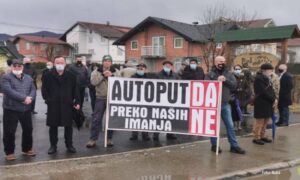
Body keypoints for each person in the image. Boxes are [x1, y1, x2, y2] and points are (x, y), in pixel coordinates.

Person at [205, 56, 245, 154]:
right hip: (213, 104)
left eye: (224, 61)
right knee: (213, 126)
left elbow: (234, 85)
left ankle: (234, 146)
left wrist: (225, 80)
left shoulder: (229, 73)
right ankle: (214, 145)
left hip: (225, 103)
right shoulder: (209, 74)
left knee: (230, 125)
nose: (222, 63)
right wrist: (216, 81)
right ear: (215, 62)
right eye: (220, 61)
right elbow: (205, 86)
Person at [42, 56, 80, 154]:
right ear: (54, 64)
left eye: (61, 62)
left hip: (67, 104)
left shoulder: (71, 76)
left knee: (68, 126)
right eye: (57, 62)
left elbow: (76, 90)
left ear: (65, 64)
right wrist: (48, 100)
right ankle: (53, 146)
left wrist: (77, 102)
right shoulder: (47, 75)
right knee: (53, 126)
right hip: (53, 105)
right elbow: (44, 90)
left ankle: (69, 145)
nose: (59, 64)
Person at [2, 58, 36, 161]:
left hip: (26, 109)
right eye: (15, 66)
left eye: (19, 66)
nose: (17, 68)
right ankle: (9, 152)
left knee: (28, 129)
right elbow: (8, 91)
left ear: (22, 67)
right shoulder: (6, 77)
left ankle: (27, 149)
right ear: (11, 67)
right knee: (10, 132)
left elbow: (33, 89)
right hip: (11, 109)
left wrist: (30, 98)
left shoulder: (28, 78)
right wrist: (24, 98)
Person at [86, 55, 119, 148]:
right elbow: (93, 82)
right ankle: (93, 139)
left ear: (111, 62)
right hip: (100, 98)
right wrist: (103, 75)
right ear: (102, 62)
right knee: (96, 119)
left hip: (112, 98)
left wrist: (111, 76)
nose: (107, 62)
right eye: (105, 61)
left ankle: (109, 139)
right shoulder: (96, 72)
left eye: (109, 61)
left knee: (110, 120)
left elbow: (120, 82)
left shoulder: (116, 71)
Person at [153, 60, 180, 141]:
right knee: (159, 117)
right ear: (163, 66)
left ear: (171, 66)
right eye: (166, 65)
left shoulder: (175, 75)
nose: (167, 67)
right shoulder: (158, 75)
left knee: (170, 116)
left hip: (171, 99)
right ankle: (156, 133)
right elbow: (154, 86)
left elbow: (180, 85)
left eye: (169, 65)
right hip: (161, 99)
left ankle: (170, 133)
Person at [252, 63, 276, 145]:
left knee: (266, 120)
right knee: (260, 120)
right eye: (270, 70)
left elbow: (271, 90)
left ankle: (262, 135)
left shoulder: (268, 78)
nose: (271, 72)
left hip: (268, 102)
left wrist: (274, 98)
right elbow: (263, 92)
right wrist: (272, 99)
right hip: (261, 102)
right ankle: (256, 137)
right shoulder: (259, 79)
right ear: (264, 70)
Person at [128, 63, 151, 141]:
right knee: (135, 117)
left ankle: (145, 134)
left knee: (145, 118)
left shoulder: (149, 77)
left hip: (146, 101)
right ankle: (134, 134)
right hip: (135, 100)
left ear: (145, 69)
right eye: (138, 68)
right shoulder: (133, 77)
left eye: (141, 69)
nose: (140, 70)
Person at [231, 65, 243, 131]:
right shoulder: (232, 77)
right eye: (236, 69)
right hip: (234, 97)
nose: (237, 70)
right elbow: (230, 87)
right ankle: (235, 125)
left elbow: (247, 87)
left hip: (241, 97)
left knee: (240, 111)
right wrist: (236, 89)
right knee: (234, 112)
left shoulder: (243, 77)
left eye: (238, 69)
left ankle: (239, 125)